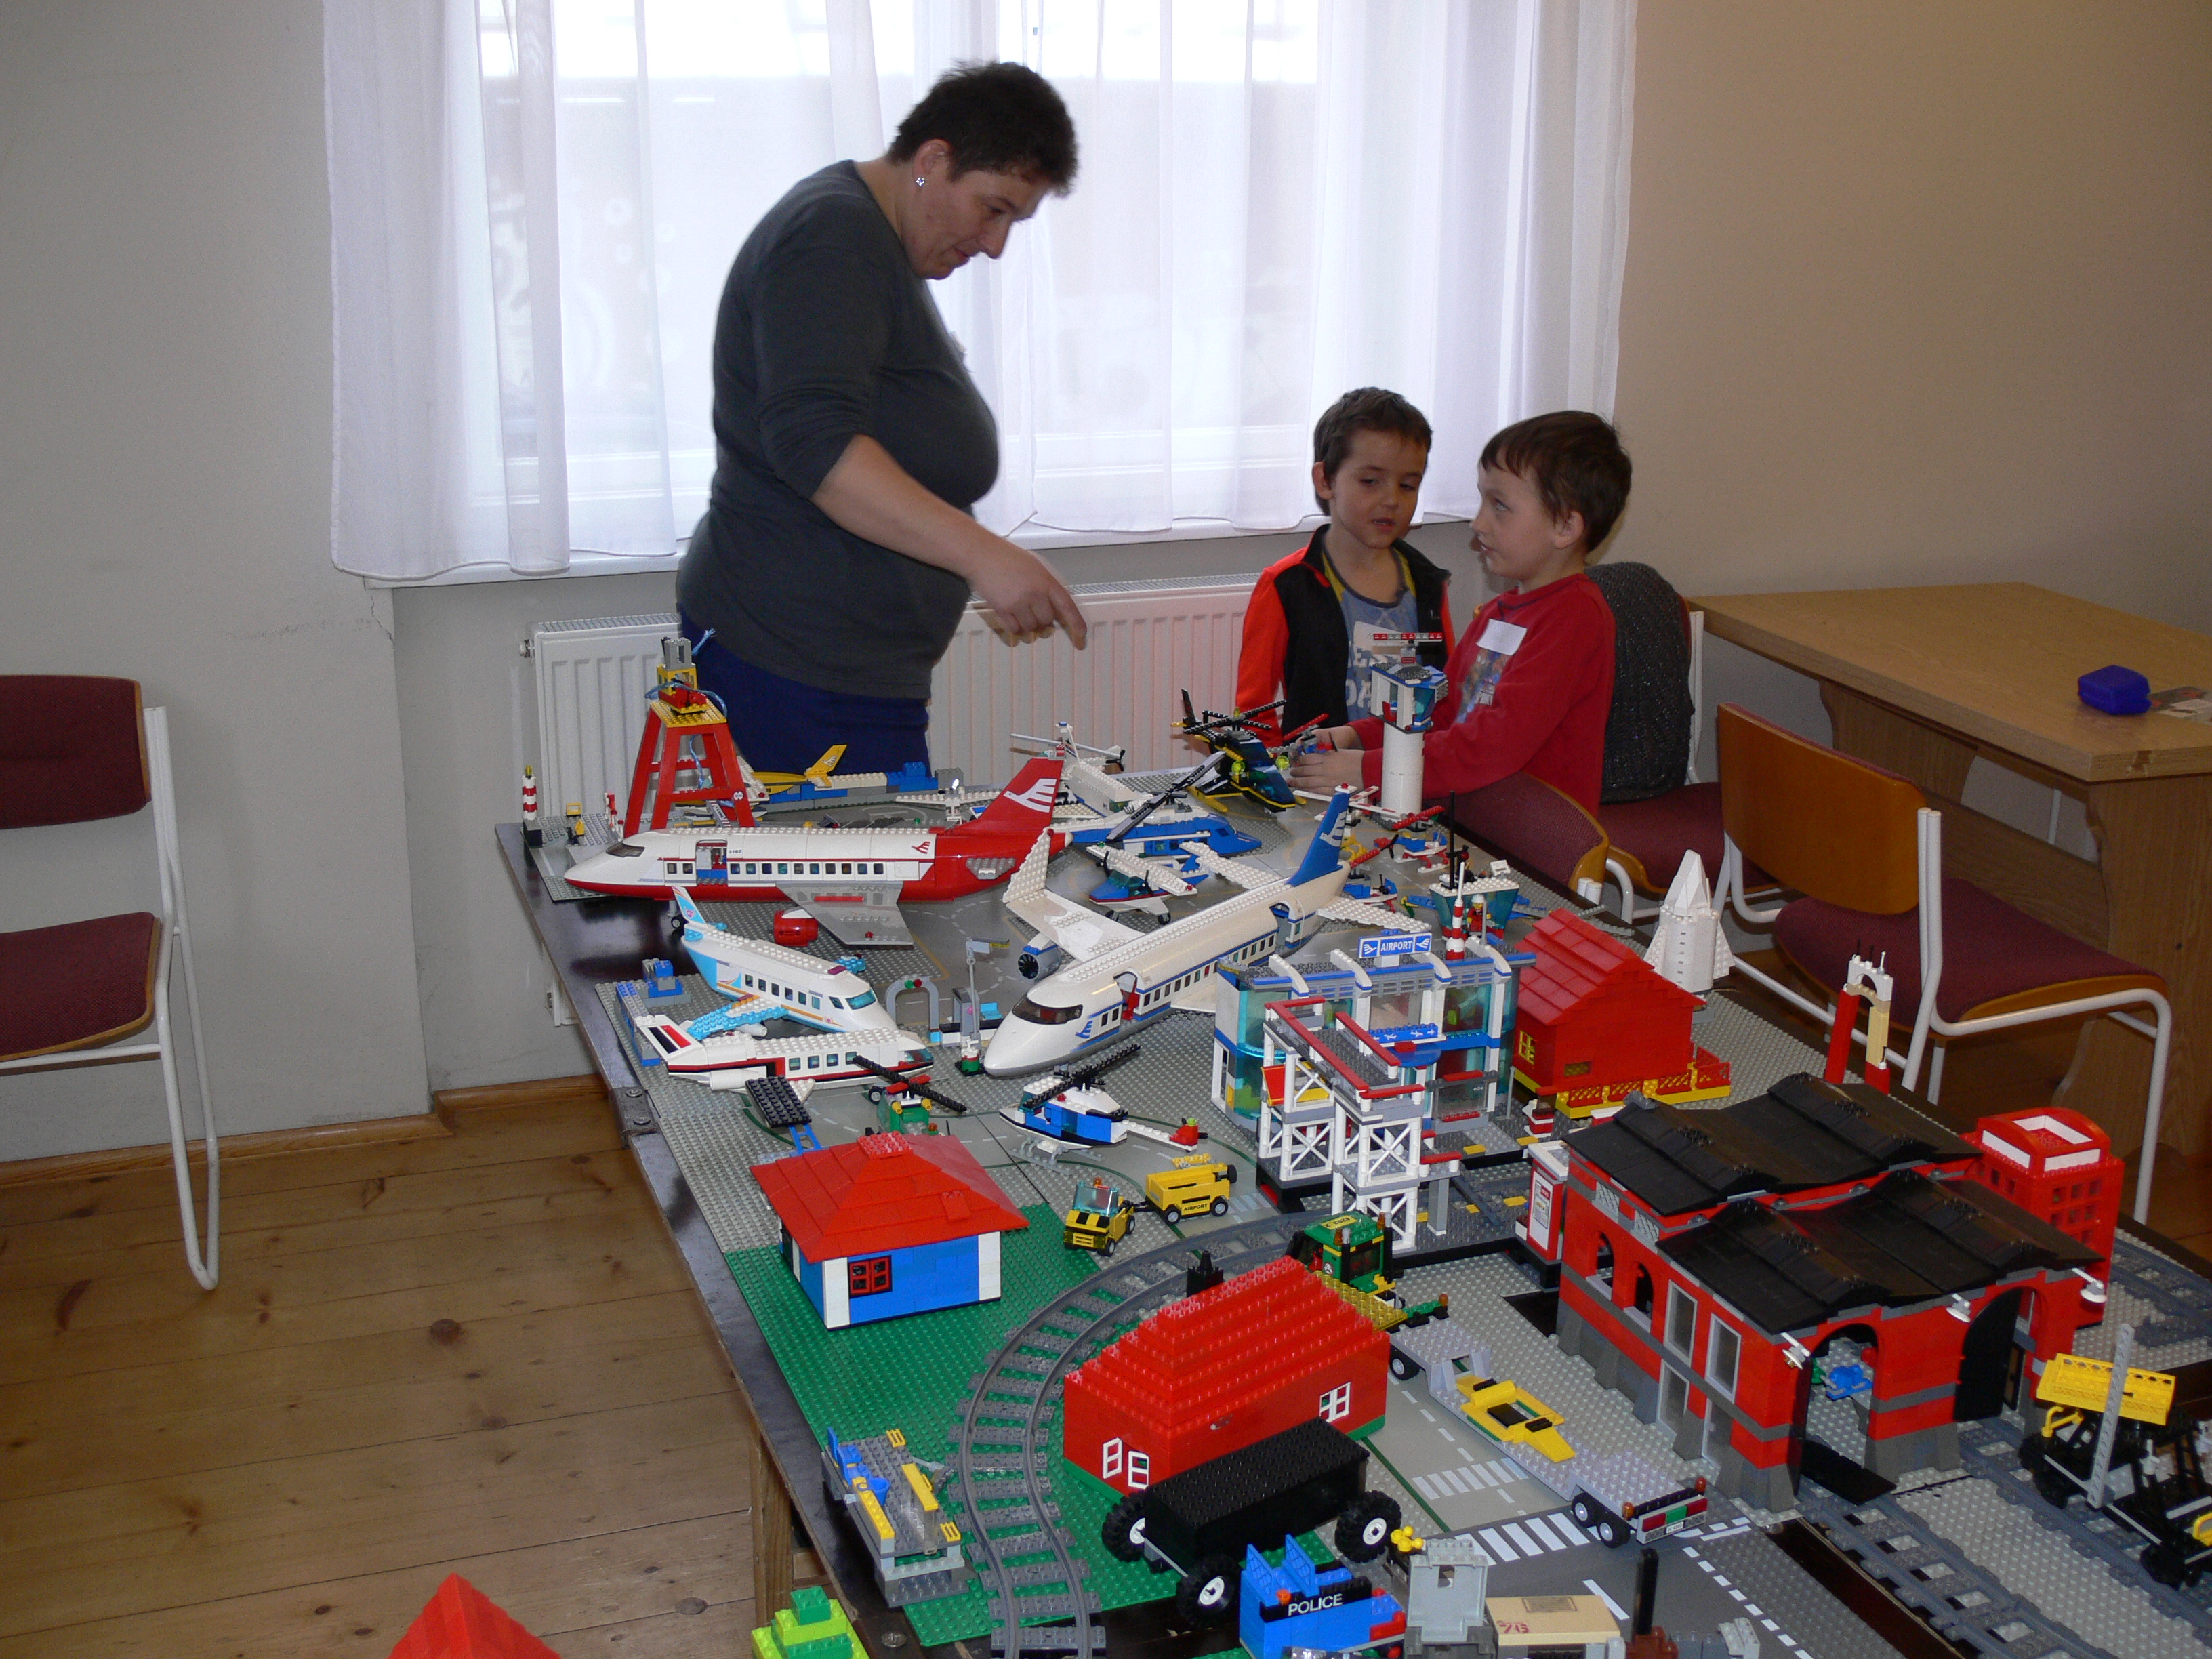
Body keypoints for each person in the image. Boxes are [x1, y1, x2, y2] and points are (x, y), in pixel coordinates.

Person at [676, 63, 1088, 775]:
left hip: (840, 674)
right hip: (799, 666)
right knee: (857, 854)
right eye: (993, 209)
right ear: (933, 160)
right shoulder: (833, 236)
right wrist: (985, 556)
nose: (996, 244)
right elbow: (817, 444)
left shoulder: (876, 243)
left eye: (1013, 222)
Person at [1287, 411, 1630, 811]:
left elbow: (1494, 745)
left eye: (1500, 506)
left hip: (1535, 835)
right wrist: (1359, 736)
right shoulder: (1497, 613)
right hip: (1471, 820)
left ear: (1565, 527)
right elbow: (1443, 709)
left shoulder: (1575, 618)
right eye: (1483, 499)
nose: (1478, 523)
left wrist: (1368, 769)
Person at [1232, 388, 1455, 744]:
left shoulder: (1429, 583)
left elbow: (1447, 694)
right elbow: (1254, 713)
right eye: (1370, 481)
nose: (1392, 500)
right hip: (1317, 775)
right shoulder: (1287, 584)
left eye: (1408, 485)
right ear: (1325, 481)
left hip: (1410, 771)